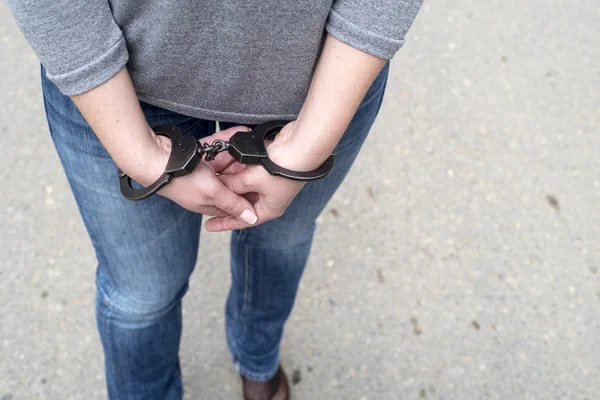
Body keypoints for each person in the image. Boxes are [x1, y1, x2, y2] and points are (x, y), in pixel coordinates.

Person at [7, 1, 422, 399]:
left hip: (321, 81)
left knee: (281, 242)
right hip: (119, 85)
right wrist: (143, 157)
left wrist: (306, 148)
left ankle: (256, 358)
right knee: (142, 294)